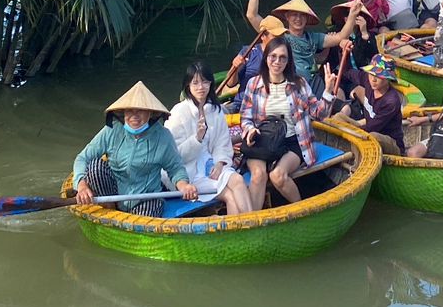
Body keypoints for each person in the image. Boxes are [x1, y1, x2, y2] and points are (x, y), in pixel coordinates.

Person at [238, 36, 339, 209]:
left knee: (277, 176)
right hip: (263, 139)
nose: (277, 62)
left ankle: (301, 211)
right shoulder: (253, 84)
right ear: (266, 58)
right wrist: (250, 130)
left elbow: (319, 114)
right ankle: (252, 221)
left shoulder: (299, 84)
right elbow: (245, 118)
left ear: (288, 61)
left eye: (283, 57)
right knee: (258, 174)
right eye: (273, 56)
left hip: (294, 140)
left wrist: (328, 91)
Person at [72, 81, 200, 215]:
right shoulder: (112, 130)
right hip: (112, 193)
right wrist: (81, 185)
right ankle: (109, 209)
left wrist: (184, 186)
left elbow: (175, 168)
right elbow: (83, 158)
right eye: (130, 110)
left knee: (151, 209)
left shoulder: (163, 136)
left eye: (141, 110)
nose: (135, 115)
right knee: (95, 166)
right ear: (123, 112)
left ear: (150, 113)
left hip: (145, 197)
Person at [166, 61, 253, 215]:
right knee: (229, 196)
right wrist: (196, 139)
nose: (201, 87)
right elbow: (173, 156)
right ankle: (245, 232)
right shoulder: (178, 113)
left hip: (212, 164)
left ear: (211, 84)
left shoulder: (215, 110)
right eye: (196, 82)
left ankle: (253, 224)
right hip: (189, 171)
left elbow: (223, 144)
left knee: (238, 181)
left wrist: (220, 164)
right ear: (188, 86)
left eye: (205, 82)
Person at [248, 0, 358, 93]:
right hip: (292, 85)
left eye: (302, 15)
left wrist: (352, 15)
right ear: (287, 16)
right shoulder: (280, 36)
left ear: (307, 19)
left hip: (314, 82)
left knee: (343, 107)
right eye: (294, 15)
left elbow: (341, 36)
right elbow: (252, 16)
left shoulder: (313, 38)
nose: (298, 19)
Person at [335, 56, 406, 155]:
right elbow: (348, 71)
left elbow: (371, 128)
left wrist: (350, 130)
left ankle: (357, 165)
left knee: (372, 136)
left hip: (391, 142)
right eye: (371, 74)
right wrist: (344, 52)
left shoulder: (391, 102)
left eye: (378, 76)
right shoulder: (368, 80)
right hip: (367, 128)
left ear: (388, 78)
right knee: (338, 118)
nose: (373, 79)